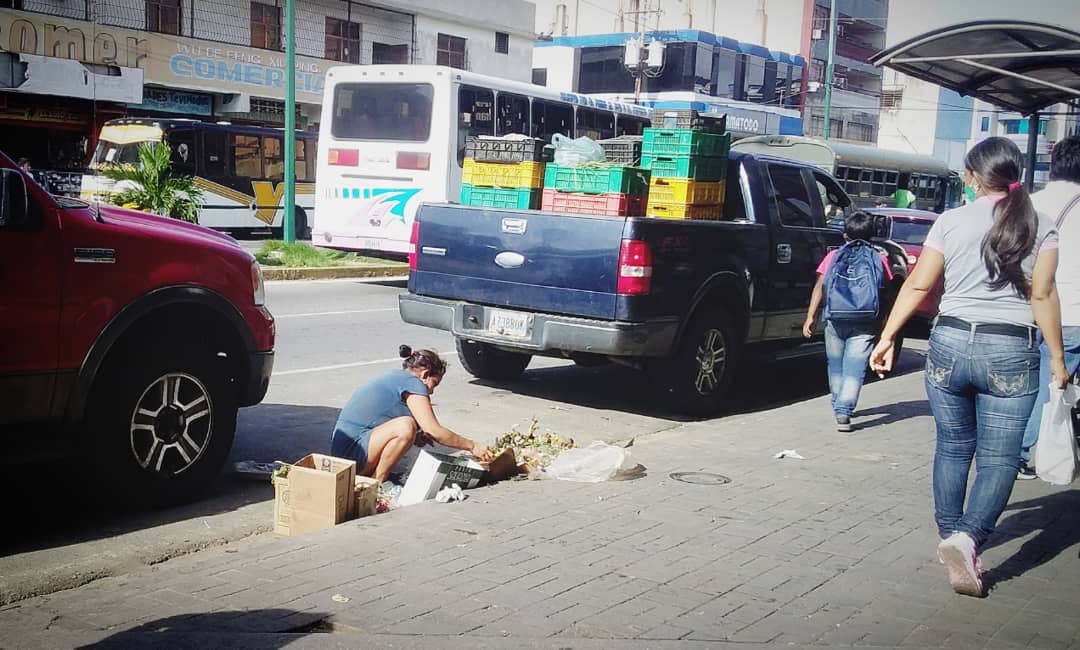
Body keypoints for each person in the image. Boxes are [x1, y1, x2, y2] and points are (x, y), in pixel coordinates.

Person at [869, 137, 1067, 598]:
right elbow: (1042, 296)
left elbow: (920, 285)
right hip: (1011, 350)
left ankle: (951, 535)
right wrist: (1058, 359)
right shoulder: (1043, 225)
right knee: (998, 459)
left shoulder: (951, 220)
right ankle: (969, 538)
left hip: (950, 342)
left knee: (954, 448)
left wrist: (888, 336)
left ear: (974, 177)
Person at [330, 346, 495, 483]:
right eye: (434, 384)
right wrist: (473, 446)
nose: (430, 391)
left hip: (347, 453)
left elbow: (381, 418)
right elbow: (434, 430)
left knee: (410, 428)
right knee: (405, 426)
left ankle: (373, 478)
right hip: (351, 454)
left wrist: (416, 435)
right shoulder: (412, 382)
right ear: (425, 374)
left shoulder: (397, 377)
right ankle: (376, 483)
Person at [1018, 136, 1080, 478]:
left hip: (1024, 311)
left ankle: (1012, 449)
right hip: (1070, 313)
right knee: (1049, 385)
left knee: (1028, 384)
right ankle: (1020, 452)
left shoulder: (1028, 203)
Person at [803, 211, 893, 432]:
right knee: (855, 366)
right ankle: (844, 410)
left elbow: (820, 286)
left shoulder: (833, 256)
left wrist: (810, 316)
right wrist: (886, 326)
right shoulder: (879, 258)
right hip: (866, 319)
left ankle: (837, 403)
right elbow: (887, 292)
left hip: (835, 317)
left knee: (835, 364)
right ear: (873, 235)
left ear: (844, 235)